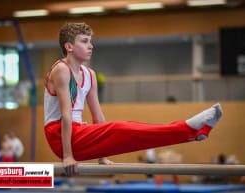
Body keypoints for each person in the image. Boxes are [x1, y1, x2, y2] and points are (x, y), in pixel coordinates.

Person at [44, 22, 223, 176]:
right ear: (69, 47)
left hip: (79, 133)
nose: (91, 46)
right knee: (121, 129)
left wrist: (103, 155)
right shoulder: (61, 70)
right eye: (84, 41)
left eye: (91, 41)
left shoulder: (90, 75)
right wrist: (67, 156)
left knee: (131, 129)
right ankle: (188, 128)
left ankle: (191, 132)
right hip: (60, 136)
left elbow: (98, 116)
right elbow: (66, 115)